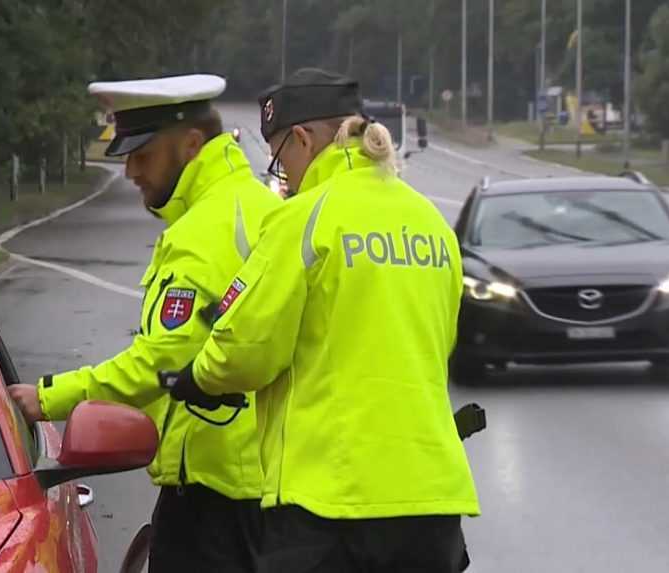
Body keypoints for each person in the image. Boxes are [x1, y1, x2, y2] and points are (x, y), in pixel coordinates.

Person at [164, 68, 480, 572]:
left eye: (280, 155)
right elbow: (439, 341)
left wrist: (197, 378)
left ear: (304, 138)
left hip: (330, 503)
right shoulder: (430, 223)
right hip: (433, 502)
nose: (283, 173)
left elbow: (245, 350)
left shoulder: (304, 218)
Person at [7, 74, 282, 572]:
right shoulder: (267, 209)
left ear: (192, 145)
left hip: (214, 494)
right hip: (276, 487)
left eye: (143, 154)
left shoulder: (201, 231)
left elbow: (160, 361)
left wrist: (48, 398)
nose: (131, 171)